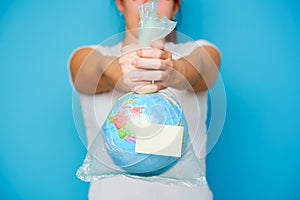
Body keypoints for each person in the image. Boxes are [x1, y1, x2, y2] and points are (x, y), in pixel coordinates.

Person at [69, 0, 221, 199]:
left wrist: (173, 72)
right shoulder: (88, 56)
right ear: (120, 4)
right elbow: (97, 70)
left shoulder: (200, 51)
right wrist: (122, 74)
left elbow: (200, 69)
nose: (148, 2)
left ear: (175, 6)